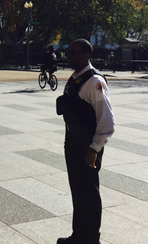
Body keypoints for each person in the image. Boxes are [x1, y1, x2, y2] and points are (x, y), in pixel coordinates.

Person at [56, 39, 114, 244]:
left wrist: (94, 149)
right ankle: (79, 236)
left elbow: (107, 121)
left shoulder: (94, 82)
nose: (68, 56)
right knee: (78, 191)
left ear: (85, 55)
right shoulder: (77, 78)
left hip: (88, 146)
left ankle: (90, 239)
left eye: (73, 53)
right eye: (68, 52)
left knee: (88, 193)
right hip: (73, 142)